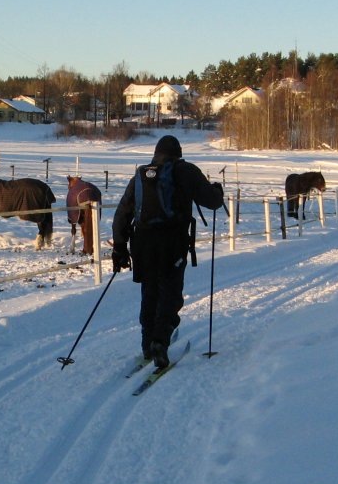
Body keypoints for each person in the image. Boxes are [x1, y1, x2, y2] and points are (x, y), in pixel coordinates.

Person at [111, 135, 224, 368]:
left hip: (141, 243)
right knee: (170, 293)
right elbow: (212, 202)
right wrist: (217, 190)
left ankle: (147, 343)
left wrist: (120, 248)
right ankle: (160, 342)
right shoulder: (187, 171)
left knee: (149, 290)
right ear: (178, 153)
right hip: (173, 242)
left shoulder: (141, 175)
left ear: (156, 153)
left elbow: (122, 213)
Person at [65, 175, 102, 255]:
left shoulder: (73, 189)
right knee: (91, 224)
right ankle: (90, 247)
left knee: (86, 225)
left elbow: (72, 212)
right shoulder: (92, 187)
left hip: (78, 198)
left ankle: (86, 248)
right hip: (95, 196)